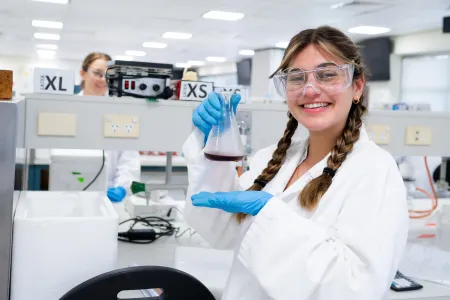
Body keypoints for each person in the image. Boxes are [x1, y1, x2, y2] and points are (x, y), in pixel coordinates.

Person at [182, 26, 408, 300]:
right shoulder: (270, 160)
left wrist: (271, 216)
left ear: (357, 86)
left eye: (327, 75)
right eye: (296, 78)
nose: (310, 90)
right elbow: (219, 232)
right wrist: (212, 148)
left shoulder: (374, 170)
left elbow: (355, 289)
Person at [79, 52, 141, 202]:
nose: (103, 80)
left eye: (108, 75)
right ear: (83, 73)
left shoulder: (119, 112)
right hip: (72, 192)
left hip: (110, 198)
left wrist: (122, 187)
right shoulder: (69, 109)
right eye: (97, 73)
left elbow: (129, 159)